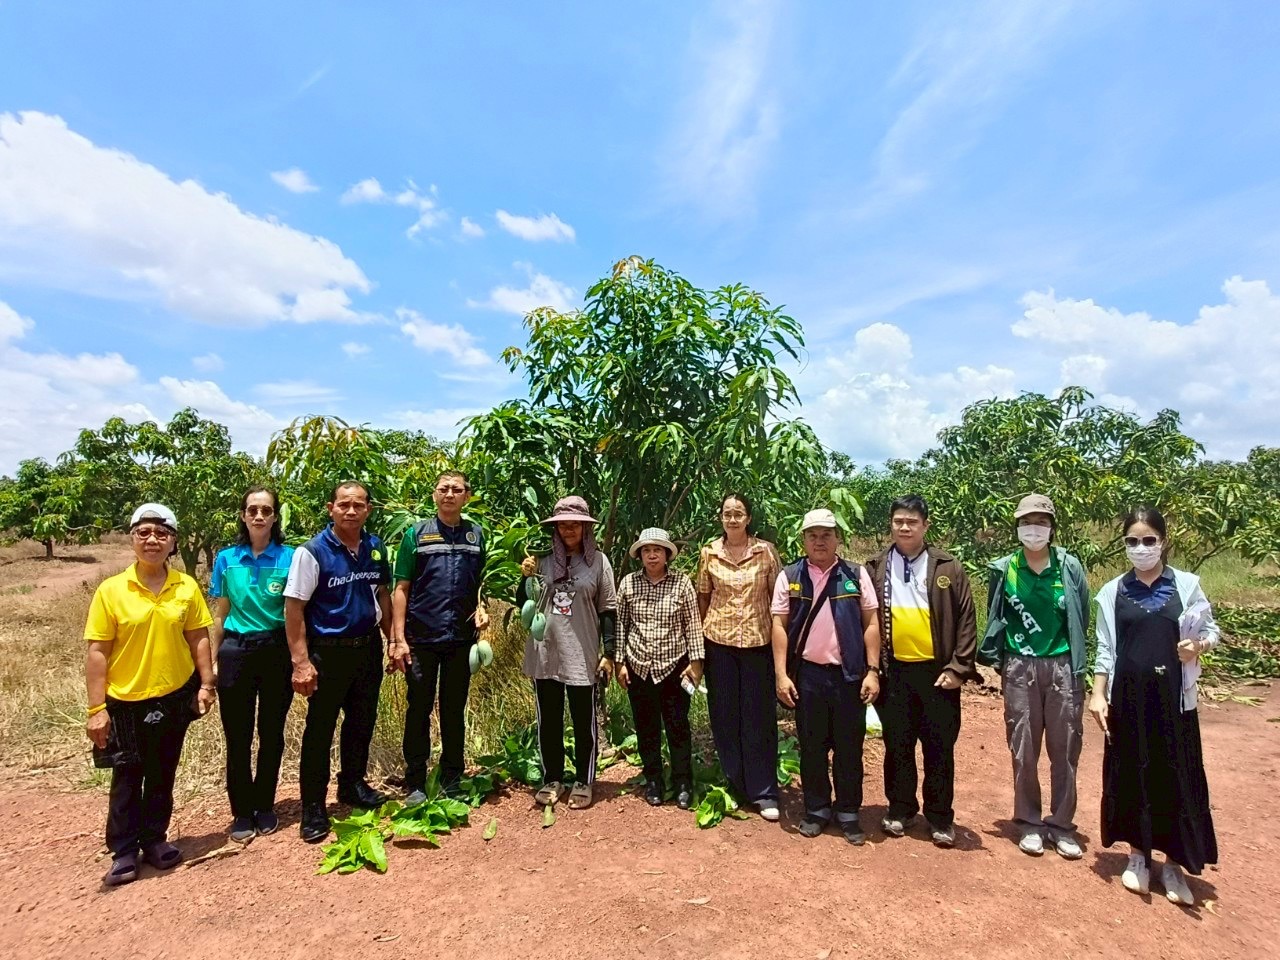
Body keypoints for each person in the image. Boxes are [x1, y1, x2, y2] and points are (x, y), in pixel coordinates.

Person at [1089, 506, 1219, 906]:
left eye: (1148, 540)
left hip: (1174, 702)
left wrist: (1197, 646)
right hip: (1129, 701)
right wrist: (1097, 693)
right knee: (1132, 773)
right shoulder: (1113, 591)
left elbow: (1211, 629)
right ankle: (1138, 856)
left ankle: (1174, 863)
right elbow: (1106, 648)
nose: (1141, 548)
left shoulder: (1187, 585)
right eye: (1132, 541)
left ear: (1163, 541)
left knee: (1175, 773)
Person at [83, 503, 216, 887]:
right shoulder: (112, 591)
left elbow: (198, 639)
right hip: (124, 701)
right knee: (126, 776)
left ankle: (154, 839)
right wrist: (96, 709)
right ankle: (124, 850)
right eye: (144, 533)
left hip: (173, 695)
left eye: (161, 533)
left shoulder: (186, 586)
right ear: (132, 539)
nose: (153, 540)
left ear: (173, 542)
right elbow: (97, 652)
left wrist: (206, 685)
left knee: (162, 772)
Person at [978, 493, 1091, 860]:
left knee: (1065, 748)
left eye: (1041, 522)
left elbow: (1081, 615)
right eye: (1027, 522)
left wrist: (1077, 662)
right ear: (1017, 527)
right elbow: (997, 614)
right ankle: (1029, 821)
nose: (1034, 529)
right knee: (1023, 746)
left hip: (1061, 665)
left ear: (1052, 528)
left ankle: (1061, 824)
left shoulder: (1069, 567)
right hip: (1019, 667)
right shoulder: (1005, 568)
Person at [284, 481, 397, 843]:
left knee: (361, 722)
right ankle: (313, 807)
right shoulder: (312, 552)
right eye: (344, 505)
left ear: (369, 510)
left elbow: (381, 593)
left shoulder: (375, 547)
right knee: (320, 730)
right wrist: (301, 663)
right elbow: (294, 608)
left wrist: (393, 640)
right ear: (331, 507)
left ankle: (352, 785)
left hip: (366, 650)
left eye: (358, 505)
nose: (351, 511)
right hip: (327, 652)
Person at [865, 494, 979, 847]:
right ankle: (899, 810)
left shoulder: (948, 567)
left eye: (912, 521)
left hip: (938, 675)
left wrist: (959, 667)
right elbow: (866, 619)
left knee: (939, 747)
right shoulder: (876, 566)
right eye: (898, 521)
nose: (904, 527)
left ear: (925, 525)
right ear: (891, 525)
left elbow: (966, 621)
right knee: (897, 746)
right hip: (894, 672)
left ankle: (940, 817)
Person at [771, 509, 881, 843]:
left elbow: (871, 623)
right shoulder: (789, 576)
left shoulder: (855, 574)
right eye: (813, 535)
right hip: (807, 677)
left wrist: (873, 671)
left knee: (850, 747)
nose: (819, 541)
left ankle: (848, 811)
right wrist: (780, 675)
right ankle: (816, 809)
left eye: (826, 535)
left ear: (838, 538)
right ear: (803, 539)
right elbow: (779, 626)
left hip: (849, 676)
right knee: (812, 747)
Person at [392, 470, 489, 804]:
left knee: (453, 709)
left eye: (456, 489)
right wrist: (398, 638)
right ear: (434, 495)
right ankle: (416, 781)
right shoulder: (415, 535)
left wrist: (482, 609)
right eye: (443, 489)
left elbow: (481, 584)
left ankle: (452, 777)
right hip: (421, 638)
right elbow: (401, 588)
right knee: (418, 708)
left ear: (467, 496)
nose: (449, 494)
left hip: (461, 639)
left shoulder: (476, 535)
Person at [517, 496, 617, 811]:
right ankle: (552, 778)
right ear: (555, 528)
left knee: (583, 719)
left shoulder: (598, 562)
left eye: (575, 524)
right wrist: (524, 577)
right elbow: (525, 603)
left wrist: (609, 652)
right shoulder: (541, 560)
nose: (568, 529)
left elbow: (608, 610)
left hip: (583, 653)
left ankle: (585, 780)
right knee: (549, 721)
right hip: (545, 652)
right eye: (563, 524)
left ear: (585, 528)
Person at [209, 486, 296, 844]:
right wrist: (212, 662)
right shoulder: (227, 559)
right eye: (252, 510)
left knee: (272, 733)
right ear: (243, 515)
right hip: (236, 650)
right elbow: (221, 611)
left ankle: (265, 805)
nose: (259, 516)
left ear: (275, 517)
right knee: (238, 736)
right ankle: (242, 811)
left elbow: (295, 613)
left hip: (276, 651)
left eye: (266, 510)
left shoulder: (292, 557)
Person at [696, 494, 783, 821]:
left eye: (739, 514)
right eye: (727, 514)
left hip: (759, 646)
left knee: (759, 718)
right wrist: (699, 649)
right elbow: (703, 598)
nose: (732, 519)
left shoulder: (766, 552)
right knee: (725, 717)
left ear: (748, 518)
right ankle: (735, 784)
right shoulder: (709, 553)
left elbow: (778, 601)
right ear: (720, 518)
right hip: (719, 644)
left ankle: (764, 792)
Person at [616, 527, 704, 810]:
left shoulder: (681, 584)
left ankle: (682, 782)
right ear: (640, 555)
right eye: (646, 550)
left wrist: (696, 665)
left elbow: (692, 625)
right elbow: (620, 625)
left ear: (667, 554)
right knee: (646, 727)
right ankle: (653, 779)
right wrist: (620, 663)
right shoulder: (628, 584)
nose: (652, 555)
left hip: (674, 667)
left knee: (678, 727)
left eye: (657, 550)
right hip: (639, 666)